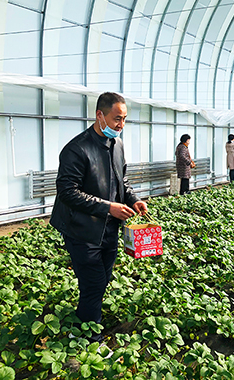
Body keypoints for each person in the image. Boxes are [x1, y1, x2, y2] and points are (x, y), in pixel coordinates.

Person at [50, 92, 147, 343]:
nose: (121, 125)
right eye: (117, 119)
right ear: (99, 115)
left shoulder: (118, 145)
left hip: (108, 229)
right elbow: (67, 192)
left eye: (124, 119)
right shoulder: (77, 148)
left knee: (100, 281)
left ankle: (82, 322)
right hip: (81, 230)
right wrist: (108, 207)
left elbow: (121, 181)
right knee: (94, 283)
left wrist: (133, 199)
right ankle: (91, 339)